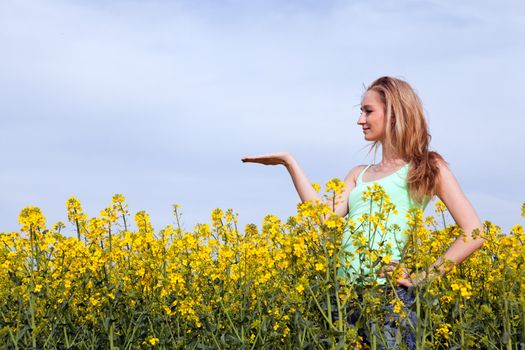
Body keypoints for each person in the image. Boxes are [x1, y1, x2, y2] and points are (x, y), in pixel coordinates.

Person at [241, 76, 485, 348]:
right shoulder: (359, 174)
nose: (360, 120)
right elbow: (324, 219)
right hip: (344, 297)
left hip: (387, 297)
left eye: (368, 111)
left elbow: (474, 233)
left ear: (393, 113)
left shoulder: (427, 167)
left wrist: (422, 277)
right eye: (361, 111)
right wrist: (290, 163)